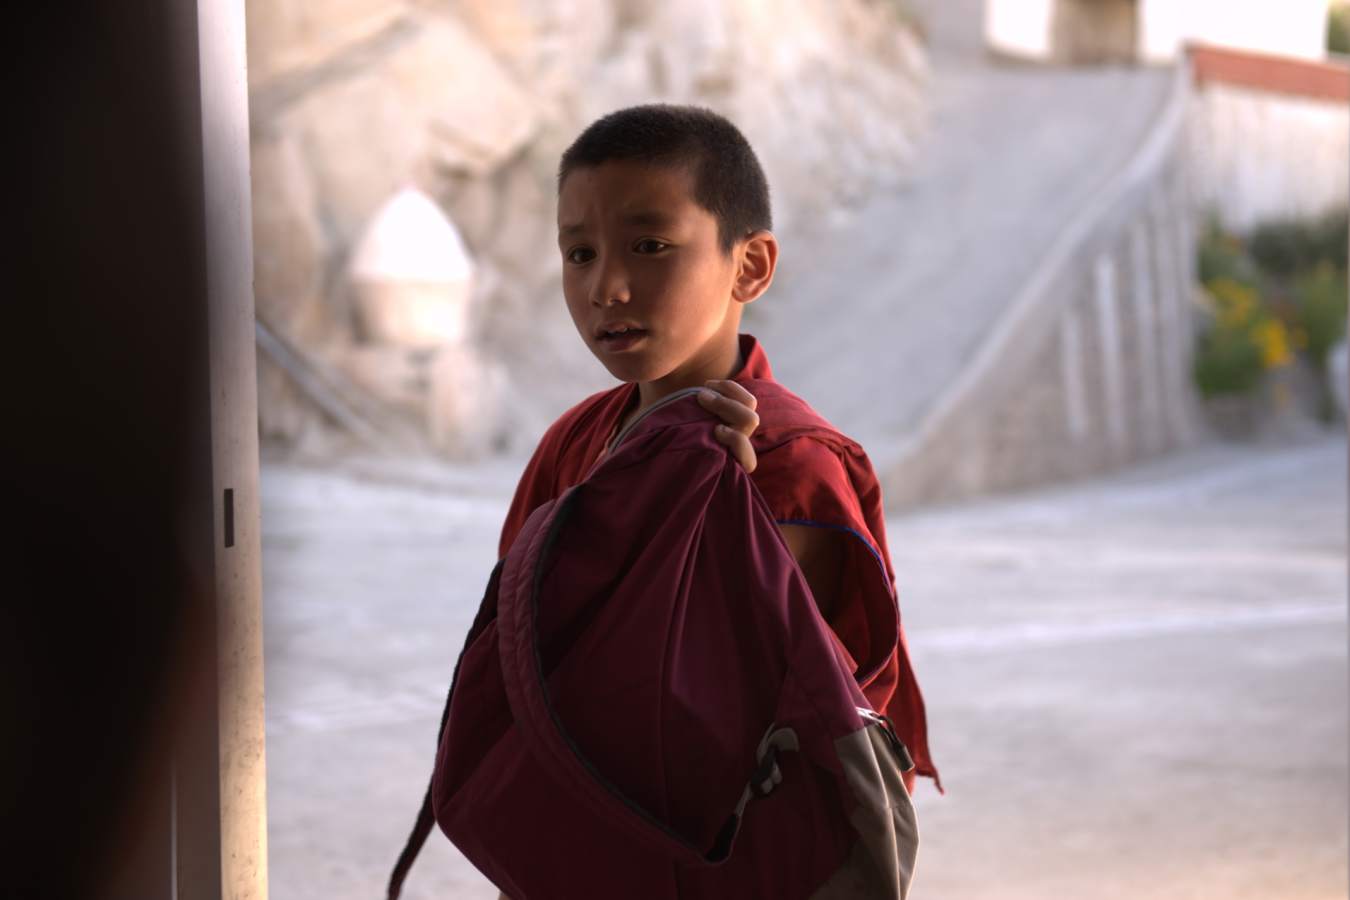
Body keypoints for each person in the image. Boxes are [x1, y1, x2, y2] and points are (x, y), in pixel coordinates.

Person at [497, 103, 941, 798]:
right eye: (579, 253)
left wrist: (701, 502)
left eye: (649, 247)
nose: (604, 288)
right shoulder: (576, 438)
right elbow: (516, 641)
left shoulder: (789, 463)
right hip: (575, 828)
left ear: (751, 266)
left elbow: (714, 698)